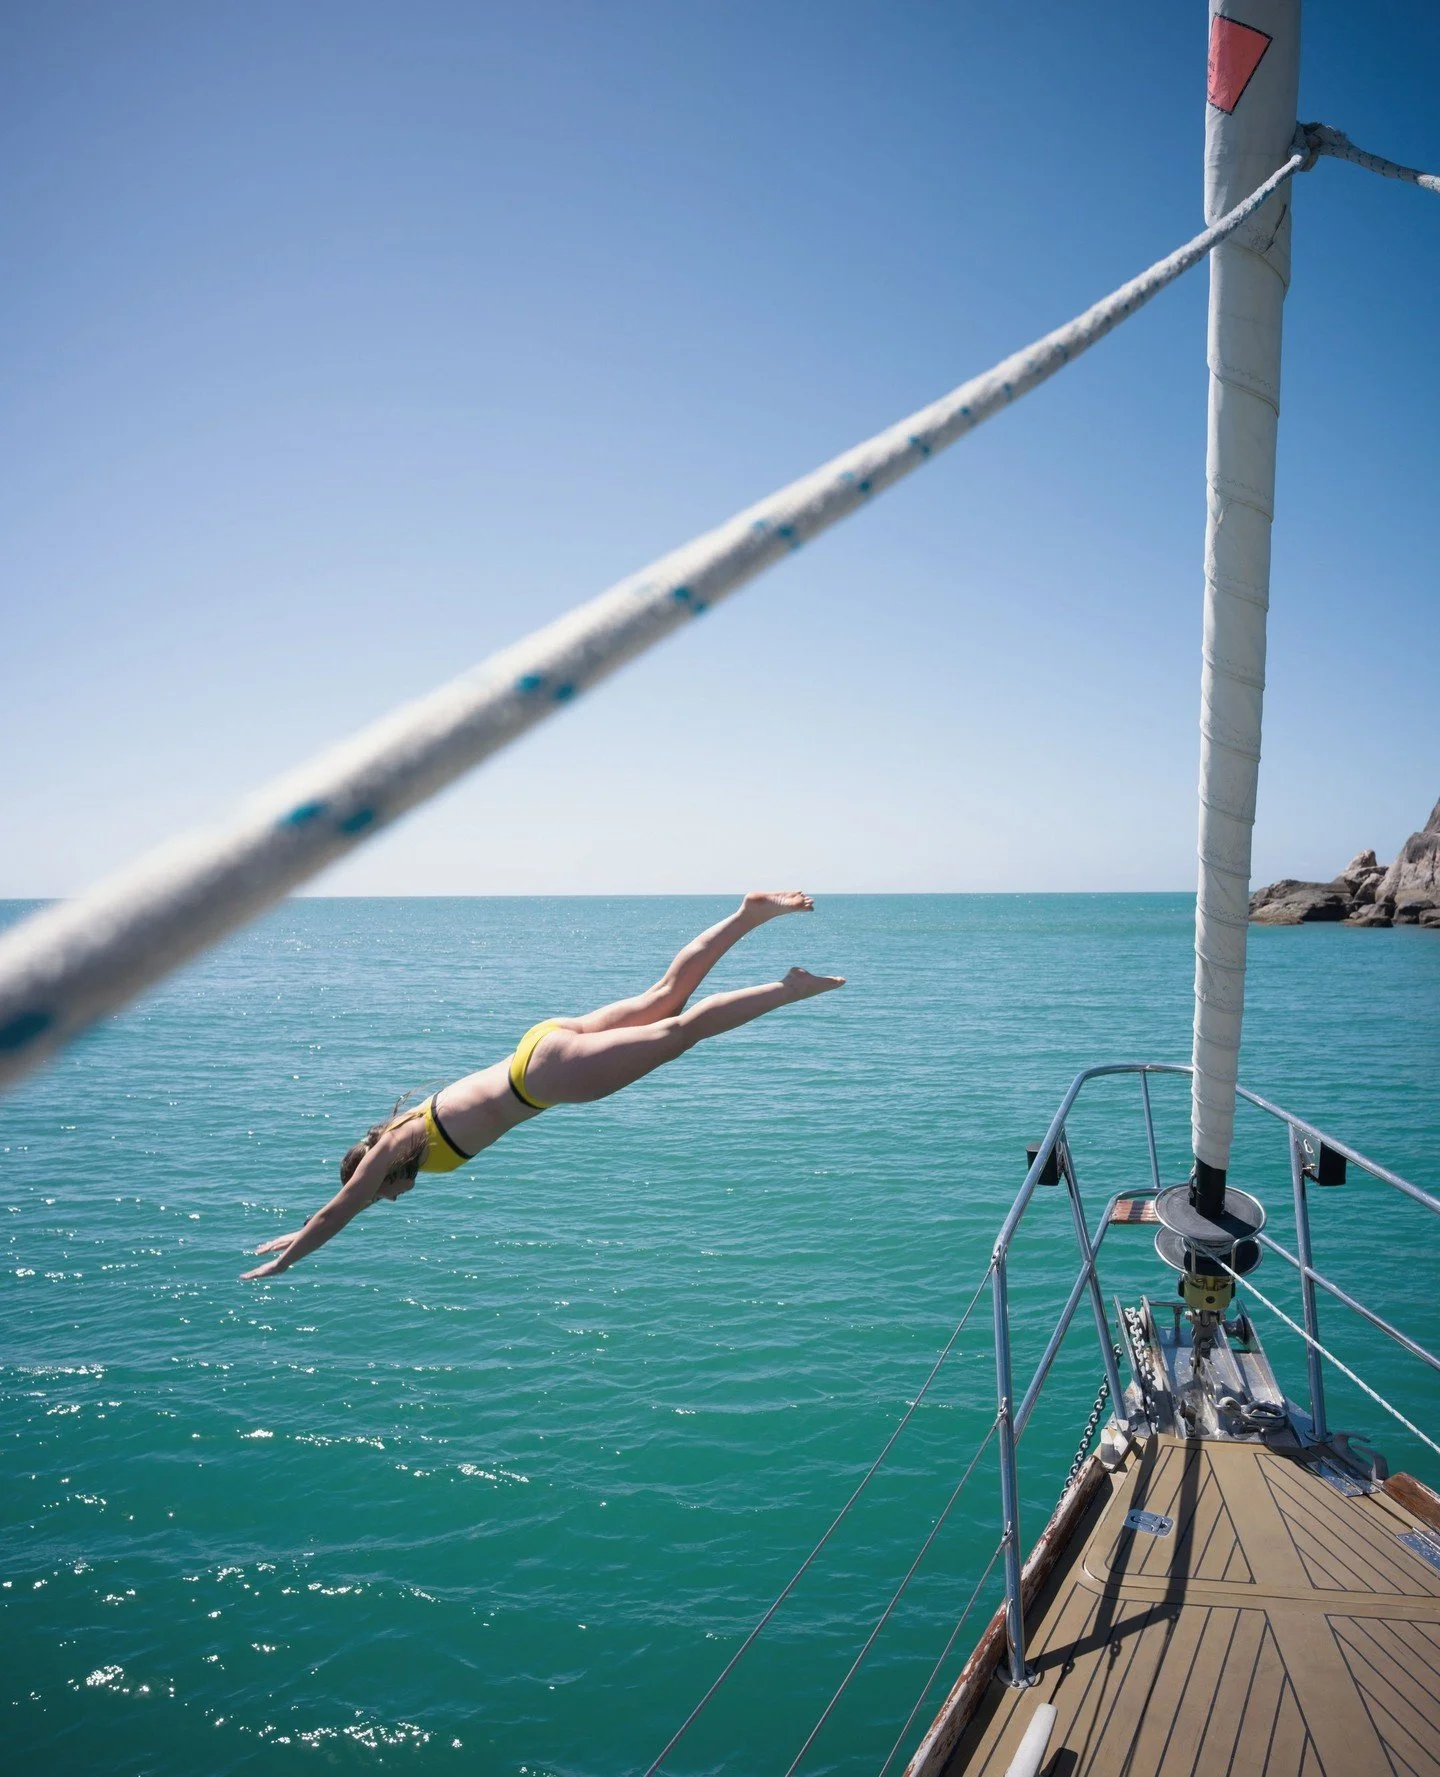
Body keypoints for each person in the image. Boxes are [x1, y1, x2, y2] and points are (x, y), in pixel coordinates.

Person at [241, 892, 843, 1279]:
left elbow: (341, 1209)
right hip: (540, 1044)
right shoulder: (402, 1133)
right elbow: (341, 1207)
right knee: (664, 997)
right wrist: (302, 1228)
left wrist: (289, 1261)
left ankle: (788, 987)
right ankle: (750, 913)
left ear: (375, 1172)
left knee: (681, 1030)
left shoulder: (394, 1150)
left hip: (547, 1079)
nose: (388, 1199)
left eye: (382, 1194)